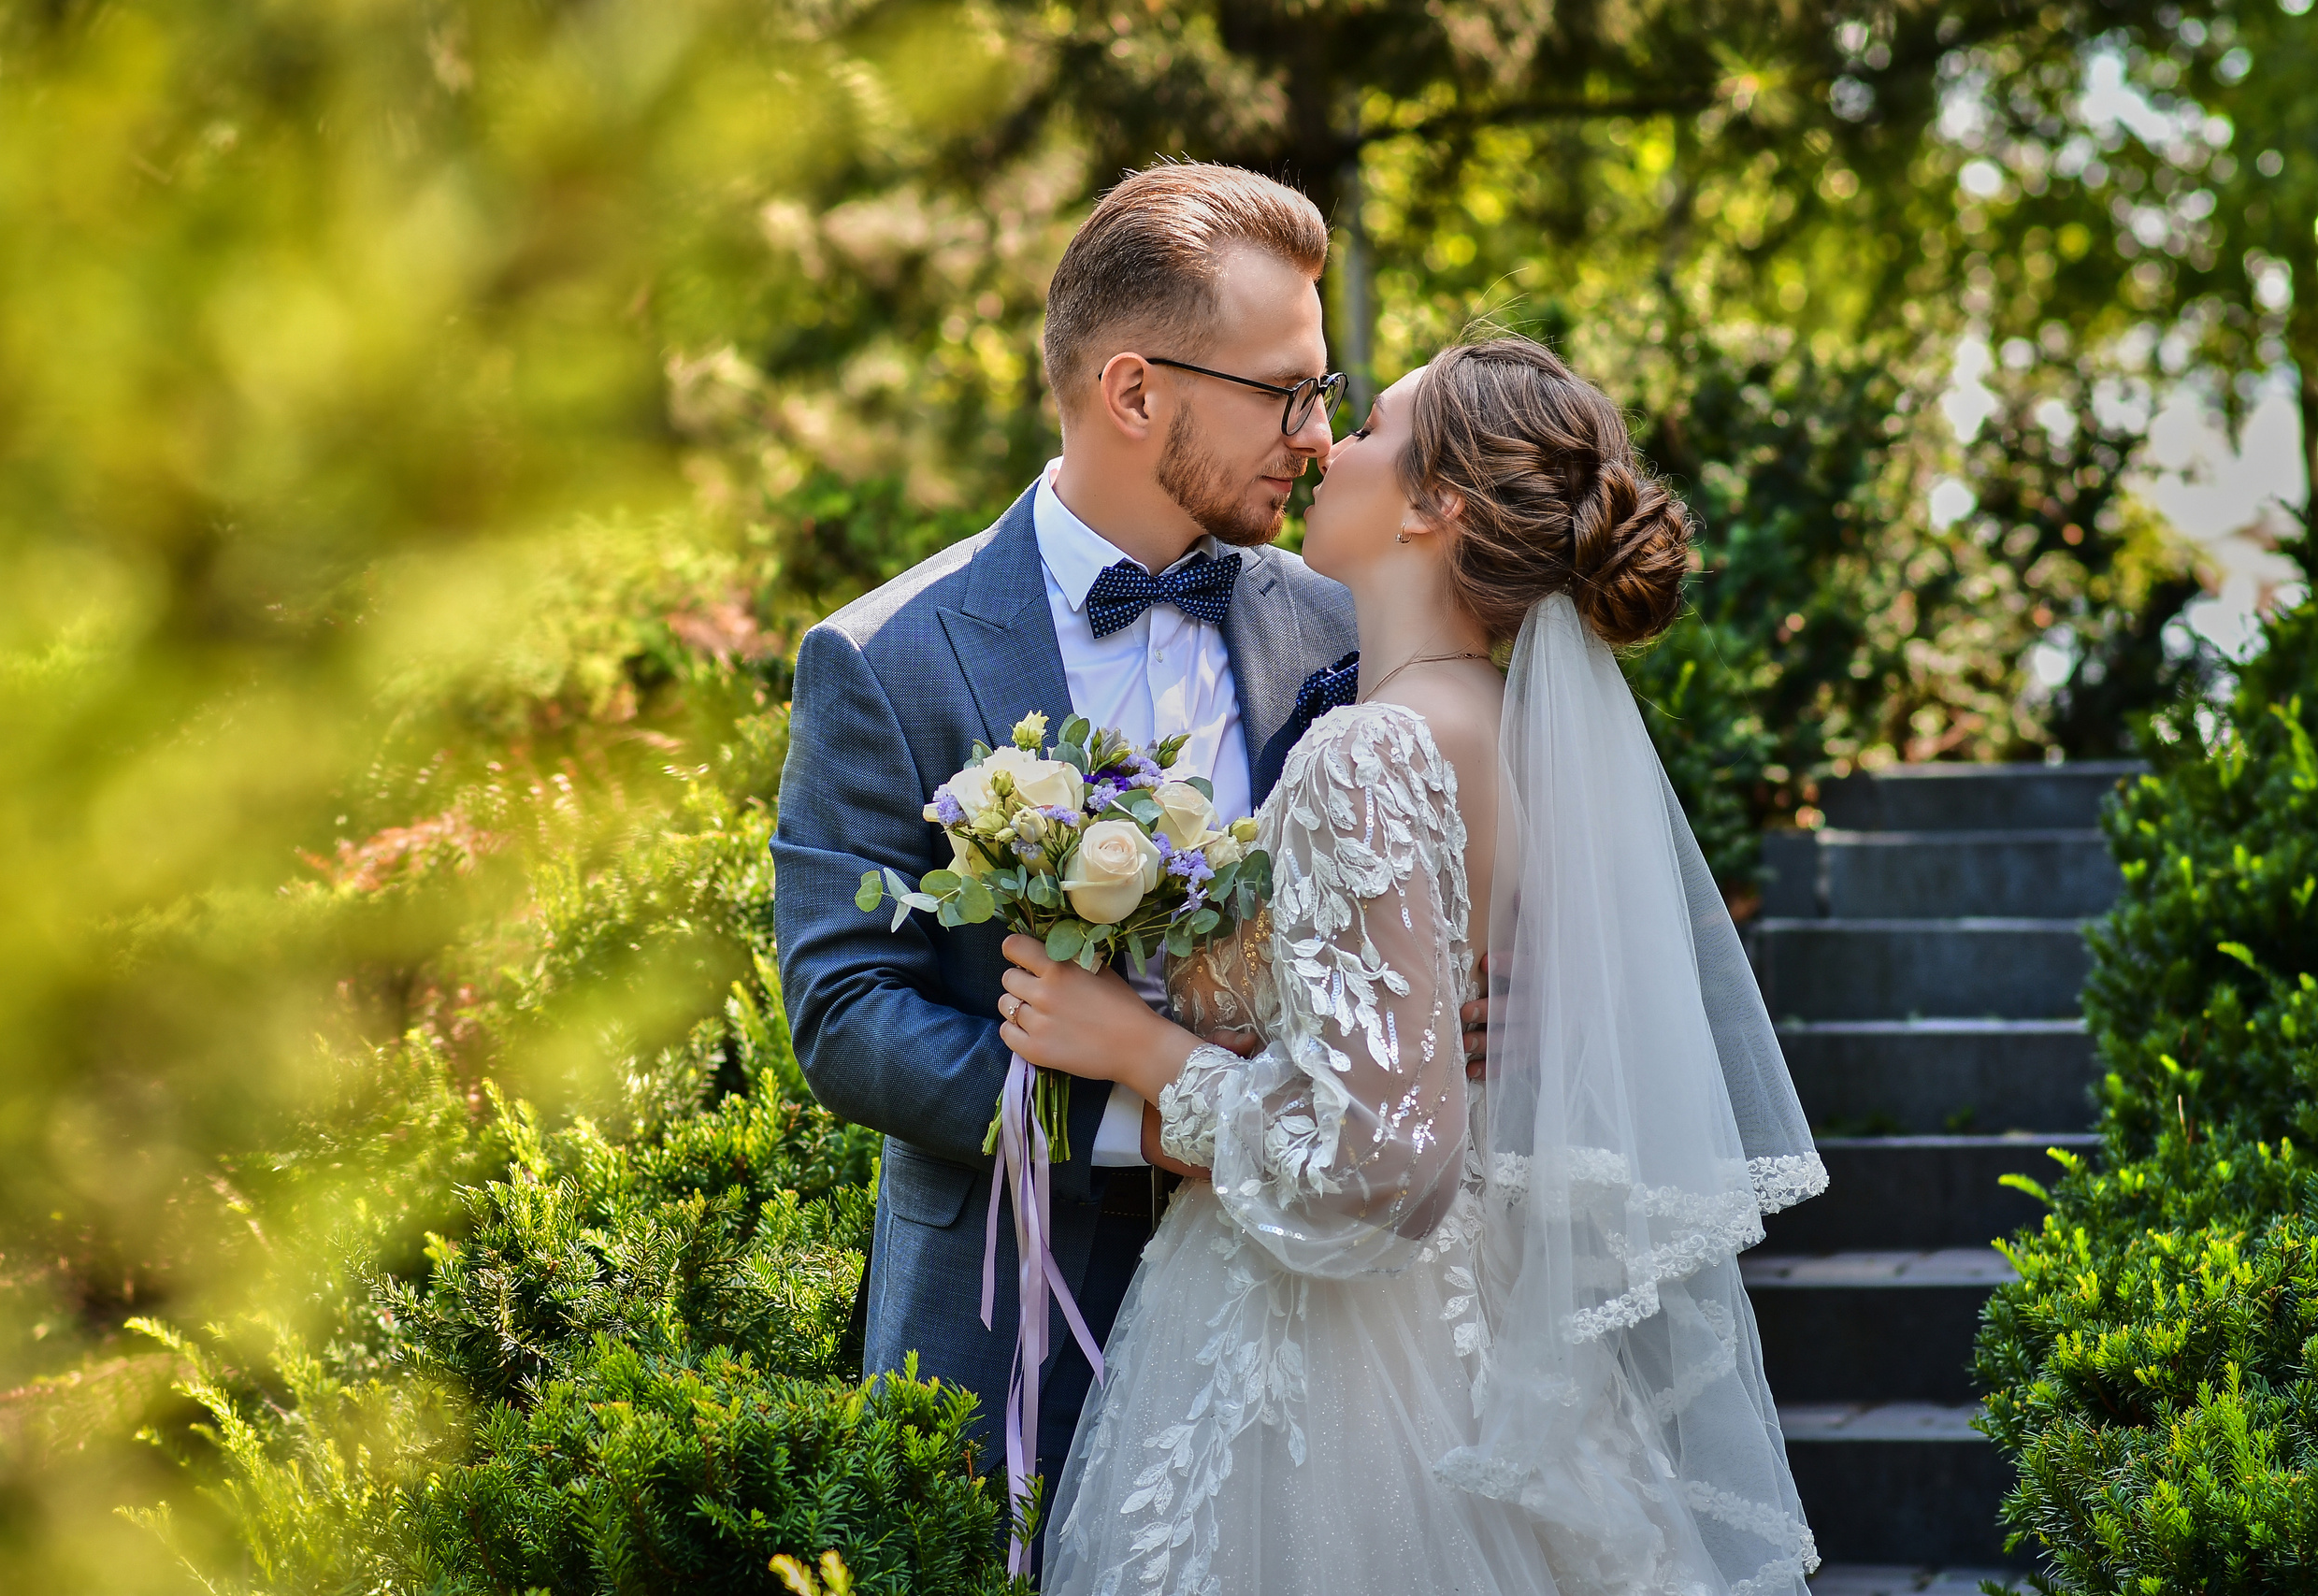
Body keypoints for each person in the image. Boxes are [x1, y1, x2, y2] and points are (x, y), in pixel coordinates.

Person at [1001, 336, 1831, 1596]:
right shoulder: (1502, 728)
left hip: (1338, 1364)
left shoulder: (1370, 754)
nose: (1326, 444)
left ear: (1437, 503)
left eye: (1372, 425)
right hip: (1469, 1330)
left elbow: (1384, 1163)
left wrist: (1136, 1047)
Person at [770, 160, 1372, 1531]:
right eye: (1284, 393)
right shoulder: (887, 660)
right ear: (1135, 391)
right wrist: (1125, 1118)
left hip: (1307, 1305)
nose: (1316, 438)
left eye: (1320, 393)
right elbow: (846, 1006)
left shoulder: (1341, 627)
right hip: (1005, 1326)